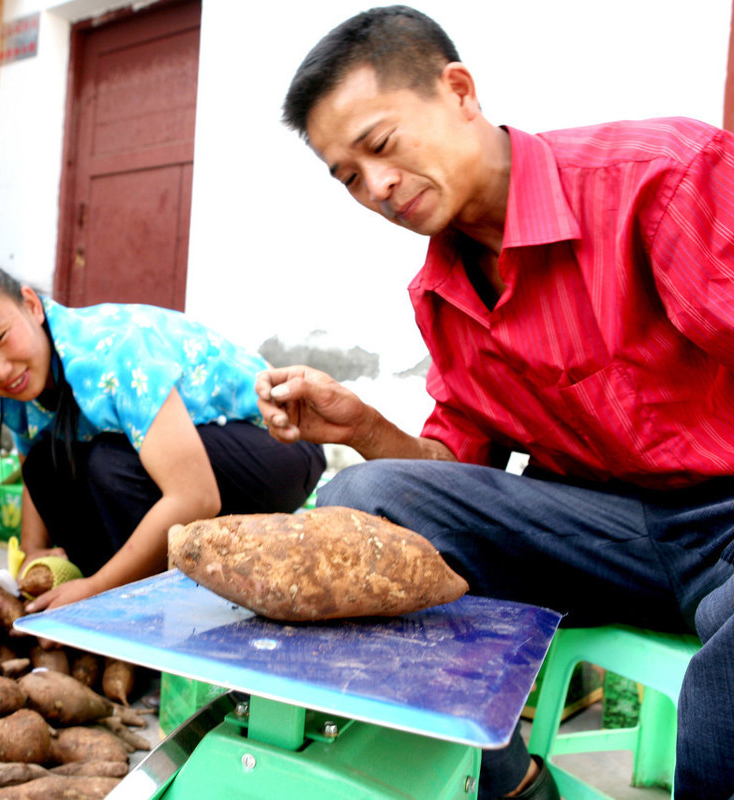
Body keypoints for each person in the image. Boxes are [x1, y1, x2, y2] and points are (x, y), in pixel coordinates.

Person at [260, 6, 734, 800]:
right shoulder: (441, 293)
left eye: (380, 145)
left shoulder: (660, 178)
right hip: (608, 535)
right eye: (347, 175)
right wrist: (364, 429)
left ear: (459, 91)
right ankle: (512, 780)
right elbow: (454, 475)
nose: (375, 187)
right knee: (364, 501)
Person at [0, 256, 327, 612]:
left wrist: (95, 589)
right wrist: (32, 553)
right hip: (199, 466)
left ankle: (151, 604)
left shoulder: (111, 352)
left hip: (279, 449)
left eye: (0, 339)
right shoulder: (15, 392)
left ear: (30, 306)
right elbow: (34, 474)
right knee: (50, 463)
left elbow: (196, 496)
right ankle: (127, 592)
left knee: (108, 464)